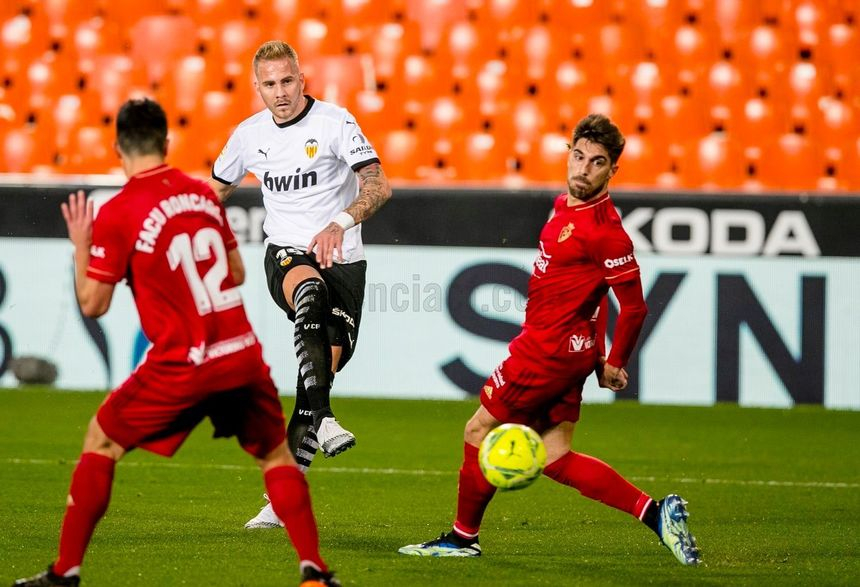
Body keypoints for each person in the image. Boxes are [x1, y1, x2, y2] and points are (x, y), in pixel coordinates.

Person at [13, 98, 341, 587]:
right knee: (274, 457)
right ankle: (314, 573)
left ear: (118, 147)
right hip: (240, 354)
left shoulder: (119, 211)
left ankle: (65, 572)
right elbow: (235, 271)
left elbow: (93, 304)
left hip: (183, 361)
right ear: (166, 142)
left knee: (100, 441)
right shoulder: (201, 193)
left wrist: (82, 246)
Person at [398, 114, 701, 566]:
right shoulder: (564, 206)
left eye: (596, 162)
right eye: (578, 156)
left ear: (612, 171)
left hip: (545, 353)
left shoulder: (606, 231)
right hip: (568, 352)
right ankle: (656, 514)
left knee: (478, 430)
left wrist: (616, 361)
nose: (583, 169)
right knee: (556, 454)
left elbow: (634, 307)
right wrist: (595, 356)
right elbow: (593, 297)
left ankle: (463, 539)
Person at [208, 40, 391, 530]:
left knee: (317, 372)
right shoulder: (247, 136)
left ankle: (282, 500)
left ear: (302, 79)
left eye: (287, 81)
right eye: (269, 84)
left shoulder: (335, 122)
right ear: (258, 88)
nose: (280, 93)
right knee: (308, 293)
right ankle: (327, 418)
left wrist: (340, 222)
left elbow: (378, 184)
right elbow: (213, 191)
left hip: (346, 260)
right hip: (287, 253)